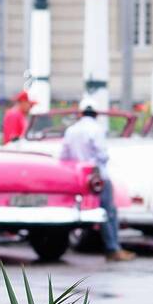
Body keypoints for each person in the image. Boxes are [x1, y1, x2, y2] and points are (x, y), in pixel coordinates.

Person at [58, 100, 135, 261]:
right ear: (96, 114)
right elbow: (102, 155)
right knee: (109, 212)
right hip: (98, 177)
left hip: (78, 177)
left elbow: (64, 155)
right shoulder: (96, 129)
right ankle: (113, 248)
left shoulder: (71, 130)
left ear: (80, 113)